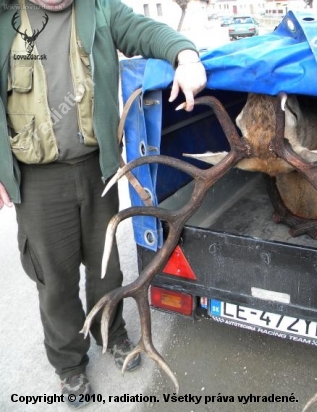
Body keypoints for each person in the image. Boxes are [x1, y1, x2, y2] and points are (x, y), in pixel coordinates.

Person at [0, 0, 207, 408]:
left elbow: (148, 33)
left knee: (106, 267)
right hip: (39, 179)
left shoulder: (101, 9)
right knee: (54, 280)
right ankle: (69, 364)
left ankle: (112, 335)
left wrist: (186, 56)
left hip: (99, 170)